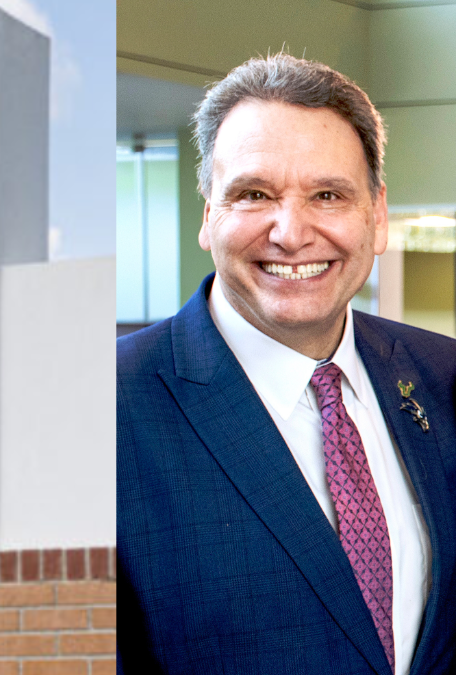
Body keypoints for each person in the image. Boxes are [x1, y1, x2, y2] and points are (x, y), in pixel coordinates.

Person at [117, 54, 456, 674]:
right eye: (253, 194)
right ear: (208, 215)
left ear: (376, 215)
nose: (291, 232)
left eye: (328, 194)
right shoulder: (98, 410)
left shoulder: (444, 376)